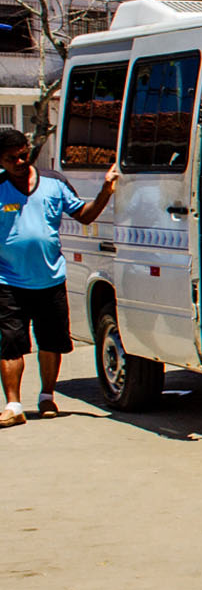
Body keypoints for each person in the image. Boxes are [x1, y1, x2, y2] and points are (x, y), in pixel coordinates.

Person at [0, 128, 119, 428]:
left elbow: (85, 215)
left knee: (51, 341)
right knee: (11, 343)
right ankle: (13, 405)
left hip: (50, 278)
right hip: (8, 281)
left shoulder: (53, 183)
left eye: (23, 155)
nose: (19, 161)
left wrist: (105, 190)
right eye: (11, 158)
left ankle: (46, 396)